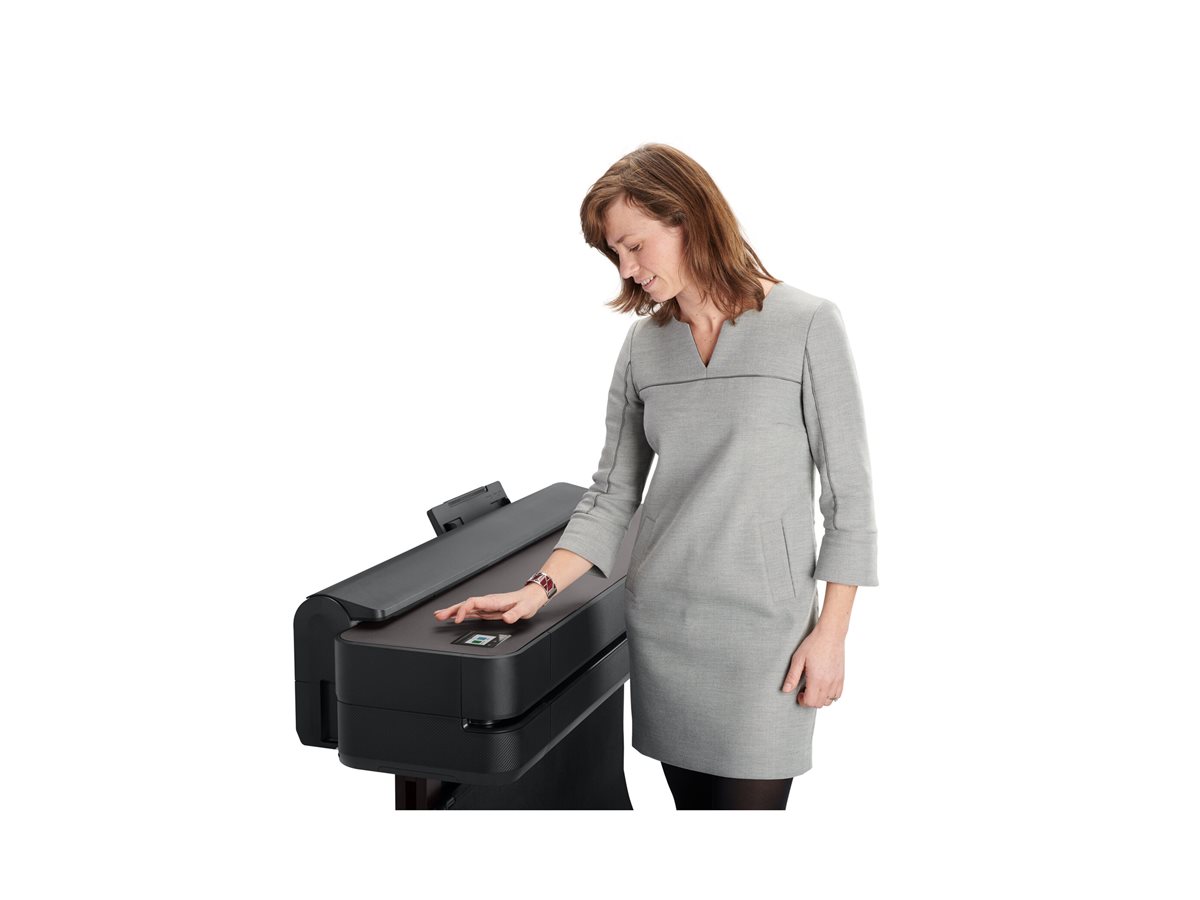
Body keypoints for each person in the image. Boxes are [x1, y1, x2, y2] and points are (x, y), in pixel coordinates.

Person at [434, 143, 879, 810]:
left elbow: (851, 502)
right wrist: (536, 591)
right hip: (665, 629)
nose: (627, 269)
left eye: (635, 246)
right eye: (614, 254)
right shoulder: (645, 345)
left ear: (688, 219)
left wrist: (832, 635)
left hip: (767, 638)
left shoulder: (807, 325)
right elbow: (612, 493)